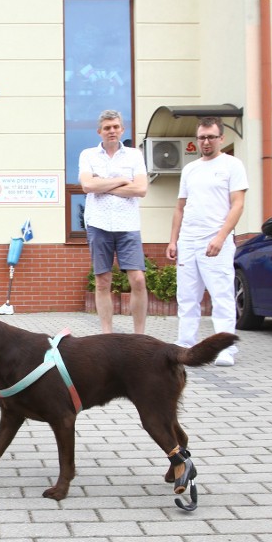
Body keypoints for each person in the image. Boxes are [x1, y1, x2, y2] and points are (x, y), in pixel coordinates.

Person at [165, 116, 248, 367]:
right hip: (188, 242)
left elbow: (238, 204)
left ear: (221, 138)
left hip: (215, 242)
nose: (206, 141)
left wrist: (220, 237)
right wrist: (173, 241)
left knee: (221, 296)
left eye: (211, 136)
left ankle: (224, 349)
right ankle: (185, 344)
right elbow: (180, 208)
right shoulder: (190, 170)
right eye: (202, 137)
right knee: (187, 297)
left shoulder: (232, 165)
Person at [79, 109, 148, 334]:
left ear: (122, 129)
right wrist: (120, 181)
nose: (112, 131)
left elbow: (140, 189)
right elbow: (88, 186)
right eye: (107, 128)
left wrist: (104, 184)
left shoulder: (134, 156)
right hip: (98, 224)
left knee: (137, 280)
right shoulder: (88, 155)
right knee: (102, 281)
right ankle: (106, 336)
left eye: (116, 127)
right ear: (100, 131)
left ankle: (139, 336)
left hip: (128, 225)